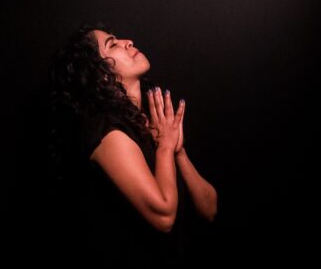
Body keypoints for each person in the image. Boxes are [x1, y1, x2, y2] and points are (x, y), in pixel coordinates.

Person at [47, 22, 217, 267]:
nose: (128, 41)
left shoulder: (152, 127)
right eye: (112, 44)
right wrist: (165, 148)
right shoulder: (106, 131)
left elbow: (209, 208)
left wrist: (176, 150)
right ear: (102, 73)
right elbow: (164, 215)